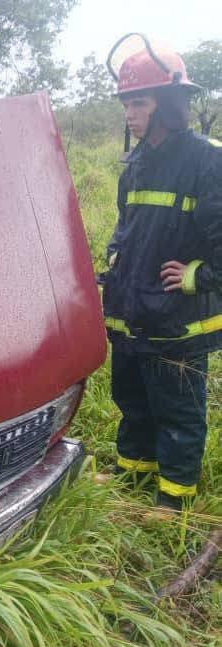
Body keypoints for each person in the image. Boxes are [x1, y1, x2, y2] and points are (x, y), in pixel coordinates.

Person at [101, 38, 222, 511]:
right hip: (133, 312)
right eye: (126, 103)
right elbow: (127, 228)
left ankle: (172, 504)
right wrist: (114, 258)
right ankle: (132, 477)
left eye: (139, 102)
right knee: (133, 401)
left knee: (177, 412)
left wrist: (203, 275)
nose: (130, 112)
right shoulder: (134, 164)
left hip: (177, 319)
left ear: (169, 104)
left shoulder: (207, 161)